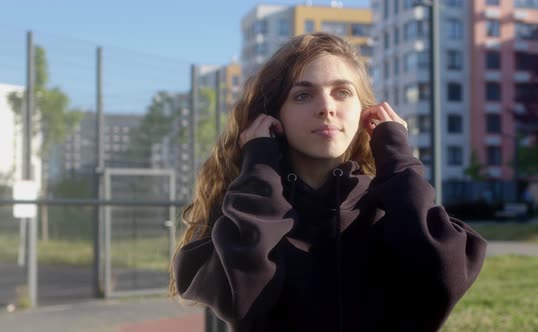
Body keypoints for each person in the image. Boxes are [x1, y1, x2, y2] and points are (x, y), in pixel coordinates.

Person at [170, 32, 487, 332]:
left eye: (342, 92)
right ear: (272, 116)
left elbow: (442, 278)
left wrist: (400, 163)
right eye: (303, 94)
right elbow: (242, 298)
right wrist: (261, 169)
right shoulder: (247, 212)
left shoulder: (390, 206)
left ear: (364, 112)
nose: (326, 107)